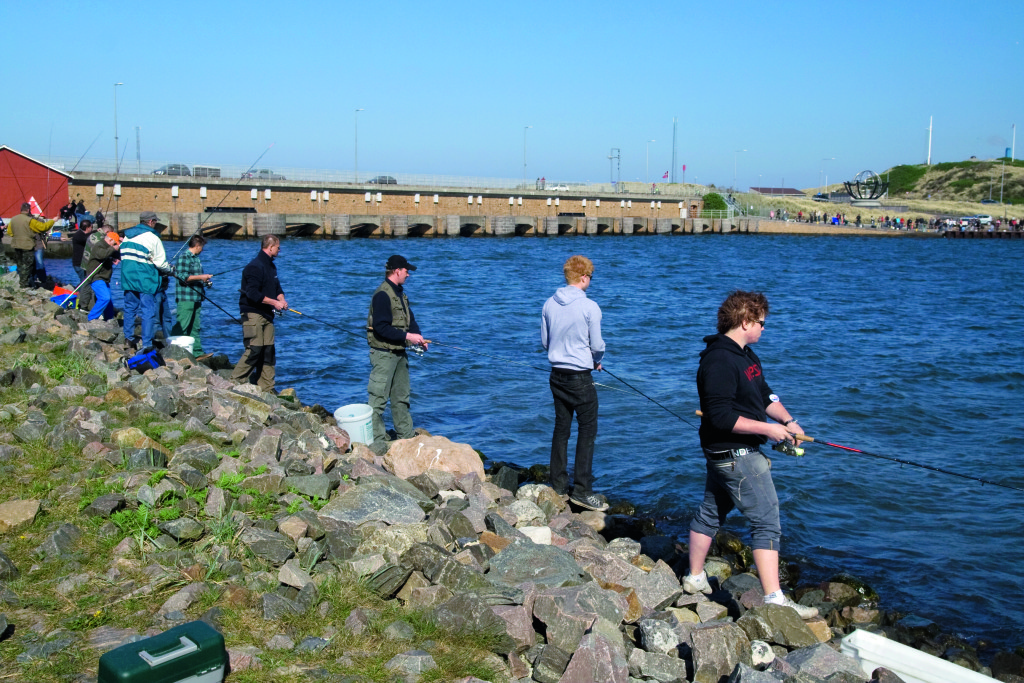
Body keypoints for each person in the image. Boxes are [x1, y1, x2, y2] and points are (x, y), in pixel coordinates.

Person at [682, 290, 818, 619]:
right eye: (761, 323)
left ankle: (695, 578)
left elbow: (764, 393)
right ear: (745, 322)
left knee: (712, 511)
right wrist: (769, 430)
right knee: (767, 522)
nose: (763, 329)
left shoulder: (746, 356)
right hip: (735, 454)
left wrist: (787, 421)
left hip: (726, 454)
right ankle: (775, 600)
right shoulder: (719, 361)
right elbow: (719, 416)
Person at [540, 255, 607, 511]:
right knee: (587, 430)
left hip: (556, 374)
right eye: (591, 277)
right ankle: (581, 490)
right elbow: (598, 345)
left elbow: (546, 342)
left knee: (561, 428)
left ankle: (557, 485)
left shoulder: (549, 303)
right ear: (584, 277)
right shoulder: (590, 307)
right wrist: (596, 359)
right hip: (580, 377)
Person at [366, 254, 428, 454]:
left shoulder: (400, 293)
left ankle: (406, 436)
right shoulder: (382, 295)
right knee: (378, 400)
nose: (408, 274)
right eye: (406, 271)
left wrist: (418, 337)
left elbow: (410, 320)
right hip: (383, 354)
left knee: (402, 396)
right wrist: (408, 336)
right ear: (397, 271)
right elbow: (380, 328)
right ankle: (377, 442)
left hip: (400, 352)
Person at [231, 235, 287, 392]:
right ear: (270, 247)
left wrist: (281, 299)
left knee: (268, 351)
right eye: (278, 247)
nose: (279, 250)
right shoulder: (254, 266)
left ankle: (267, 388)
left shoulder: (271, 267)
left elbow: (277, 289)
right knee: (254, 349)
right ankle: (235, 381)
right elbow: (252, 294)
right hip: (252, 313)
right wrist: (275, 303)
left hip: (268, 315)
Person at [120, 211, 172, 352]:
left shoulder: (127, 237)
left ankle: (128, 339)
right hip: (146, 280)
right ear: (150, 222)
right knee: (148, 311)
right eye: (155, 222)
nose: (156, 225)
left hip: (128, 277)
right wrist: (170, 270)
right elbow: (161, 264)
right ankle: (147, 343)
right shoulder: (153, 238)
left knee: (130, 308)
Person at [173, 235, 212, 354]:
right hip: (186, 297)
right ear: (197, 246)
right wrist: (202, 277)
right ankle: (172, 351)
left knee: (195, 327)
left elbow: (195, 278)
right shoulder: (184, 257)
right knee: (183, 325)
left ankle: (197, 352)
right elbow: (182, 277)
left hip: (197, 297)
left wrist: (205, 282)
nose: (202, 250)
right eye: (202, 247)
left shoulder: (196, 259)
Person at [8, 203, 54, 289]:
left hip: (16, 245)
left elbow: (9, 232)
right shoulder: (30, 220)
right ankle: (25, 285)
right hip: (27, 246)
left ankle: (22, 282)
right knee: (29, 266)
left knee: (20, 264)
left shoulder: (13, 219)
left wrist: (18, 236)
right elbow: (43, 227)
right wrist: (53, 221)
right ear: (28, 210)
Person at [83, 232, 120, 321]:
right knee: (104, 298)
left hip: (104, 278)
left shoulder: (108, 247)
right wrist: (113, 248)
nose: (114, 246)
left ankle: (109, 319)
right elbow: (102, 254)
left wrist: (115, 257)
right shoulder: (98, 246)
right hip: (96, 276)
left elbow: (113, 253)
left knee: (109, 301)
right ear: (110, 240)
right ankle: (91, 318)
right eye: (114, 243)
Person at [68, 219, 95, 283]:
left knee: (87, 280)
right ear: (87, 228)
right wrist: (96, 232)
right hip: (79, 263)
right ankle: (80, 292)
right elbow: (87, 239)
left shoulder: (83, 235)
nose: (92, 229)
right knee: (84, 281)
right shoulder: (78, 235)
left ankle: (81, 291)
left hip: (84, 263)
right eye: (91, 227)